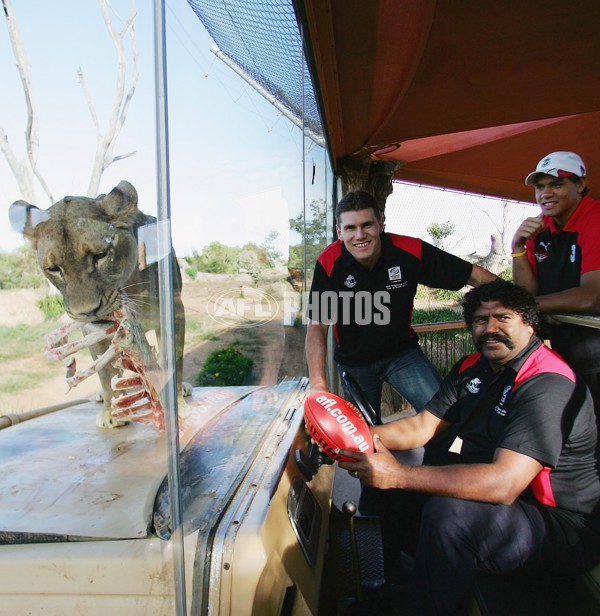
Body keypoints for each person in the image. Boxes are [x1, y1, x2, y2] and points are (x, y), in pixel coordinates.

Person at [337, 280, 600, 615]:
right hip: (508, 495)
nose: (490, 328)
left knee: (449, 513)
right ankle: (404, 581)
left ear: (529, 324)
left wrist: (399, 476)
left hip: (558, 524)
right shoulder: (470, 369)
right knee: (394, 459)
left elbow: (504, 483)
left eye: (503, 318)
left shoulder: (546, 382)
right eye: (480, 320)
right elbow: (420, 428)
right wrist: (351, 436)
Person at [305, 190, 496, 418]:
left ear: (381, 223)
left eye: (367, 225)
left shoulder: (409, 251)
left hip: (402, 354)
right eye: (350, 228)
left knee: (447, 415)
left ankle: (439, 454)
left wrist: (519, 302)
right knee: (360, 436)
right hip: (355, 363)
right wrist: (318, 385)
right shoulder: (329, 262)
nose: (360, 235)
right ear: (339, 231)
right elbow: (317, 325)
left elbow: (473, 275)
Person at [511, 151, 600, 419]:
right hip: (569, 344)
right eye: (540, 187)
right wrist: (517, 248)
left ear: (580, 185)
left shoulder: (594, 219)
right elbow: (529, 293)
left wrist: (521, 307)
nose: (545, 193)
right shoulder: (542, 229)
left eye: (556, 184)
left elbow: (591, 297)